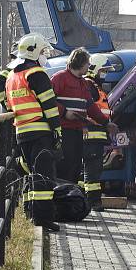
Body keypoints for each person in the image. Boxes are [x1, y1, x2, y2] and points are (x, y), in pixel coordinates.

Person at [5, 34, 62, 232]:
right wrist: (57, 129)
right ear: (35, 52)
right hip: (40, 131)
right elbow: (49, 104)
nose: (45, 56)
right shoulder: (36, 73)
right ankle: (43, 219)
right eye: (43, 52)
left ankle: (30, 212)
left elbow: (9, 105)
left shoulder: (12, 76)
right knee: (43, 176)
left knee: (31, 173)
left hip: (22, 132)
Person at [51, 48, 110, 185]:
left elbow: (90, 107)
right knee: (65, 165)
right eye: (87, 63)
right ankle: (62, 198)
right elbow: (48, 100)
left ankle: (70, 198)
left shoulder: (83, 83)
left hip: (77, 131)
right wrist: (64, 112)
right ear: (80, 62)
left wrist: (106, 123)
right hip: (64, 131)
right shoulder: (59, 78)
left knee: (75, 166)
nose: (89, 66)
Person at [82, 54, 117, 212]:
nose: (105, 74)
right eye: (103, 70)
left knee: (92, 170)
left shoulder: (94, 86)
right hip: (91, 135)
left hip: (96, 135)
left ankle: (85, 199)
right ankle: (93, 201)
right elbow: (89, 109)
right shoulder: (89, 85)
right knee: (93, 171)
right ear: (93, 68)